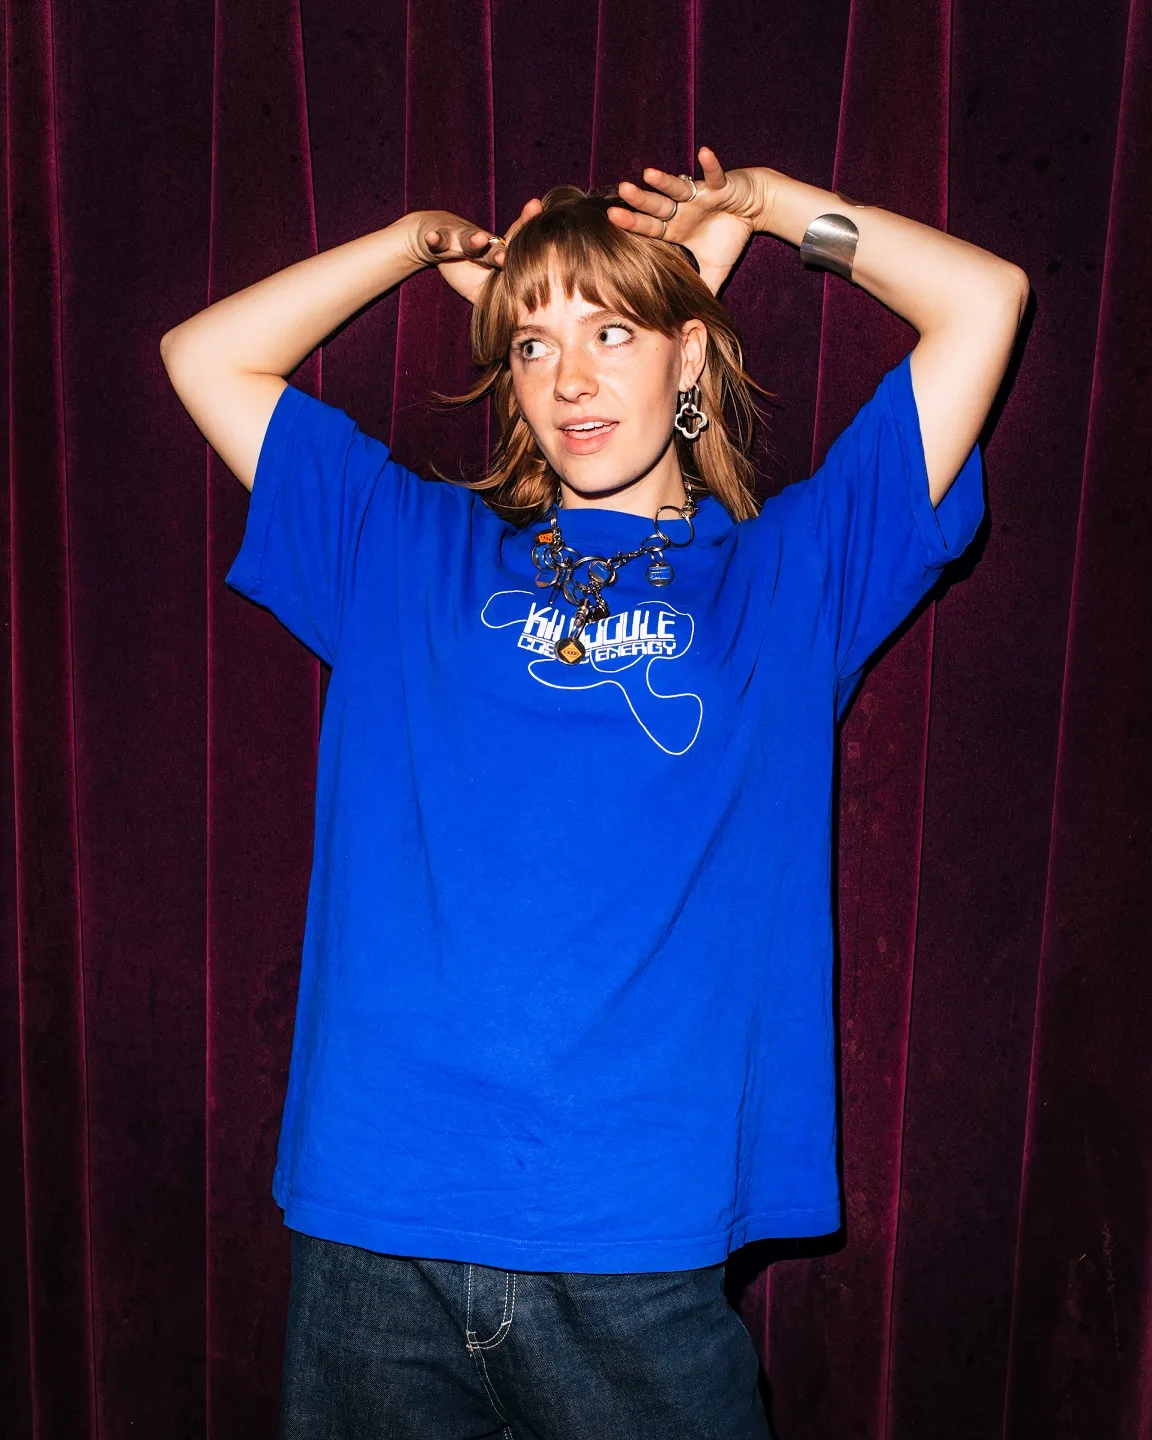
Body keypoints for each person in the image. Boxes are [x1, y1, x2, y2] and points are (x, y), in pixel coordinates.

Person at [160, 146, 1028, 1440]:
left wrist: (766, 206)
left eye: (613, 333)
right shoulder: (403, 550)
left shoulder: (789, 576)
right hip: (375, 1232)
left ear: (690, 359)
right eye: (533, 345)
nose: (570, 378)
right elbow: (206, 358)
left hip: (635, 1239)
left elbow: (983, 302)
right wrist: (411, 245)